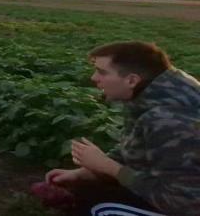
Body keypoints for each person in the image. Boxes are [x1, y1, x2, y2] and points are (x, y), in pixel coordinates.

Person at [41, 41, 200, 216]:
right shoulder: (152, 94)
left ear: (131, 80)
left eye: (102, 72)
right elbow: (134, 151)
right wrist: (84, 173)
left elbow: (184, 203)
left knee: (100, 208)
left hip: (187, 202)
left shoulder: (169, 121)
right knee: (87, 190)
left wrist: (109, 167)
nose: (94, 78)